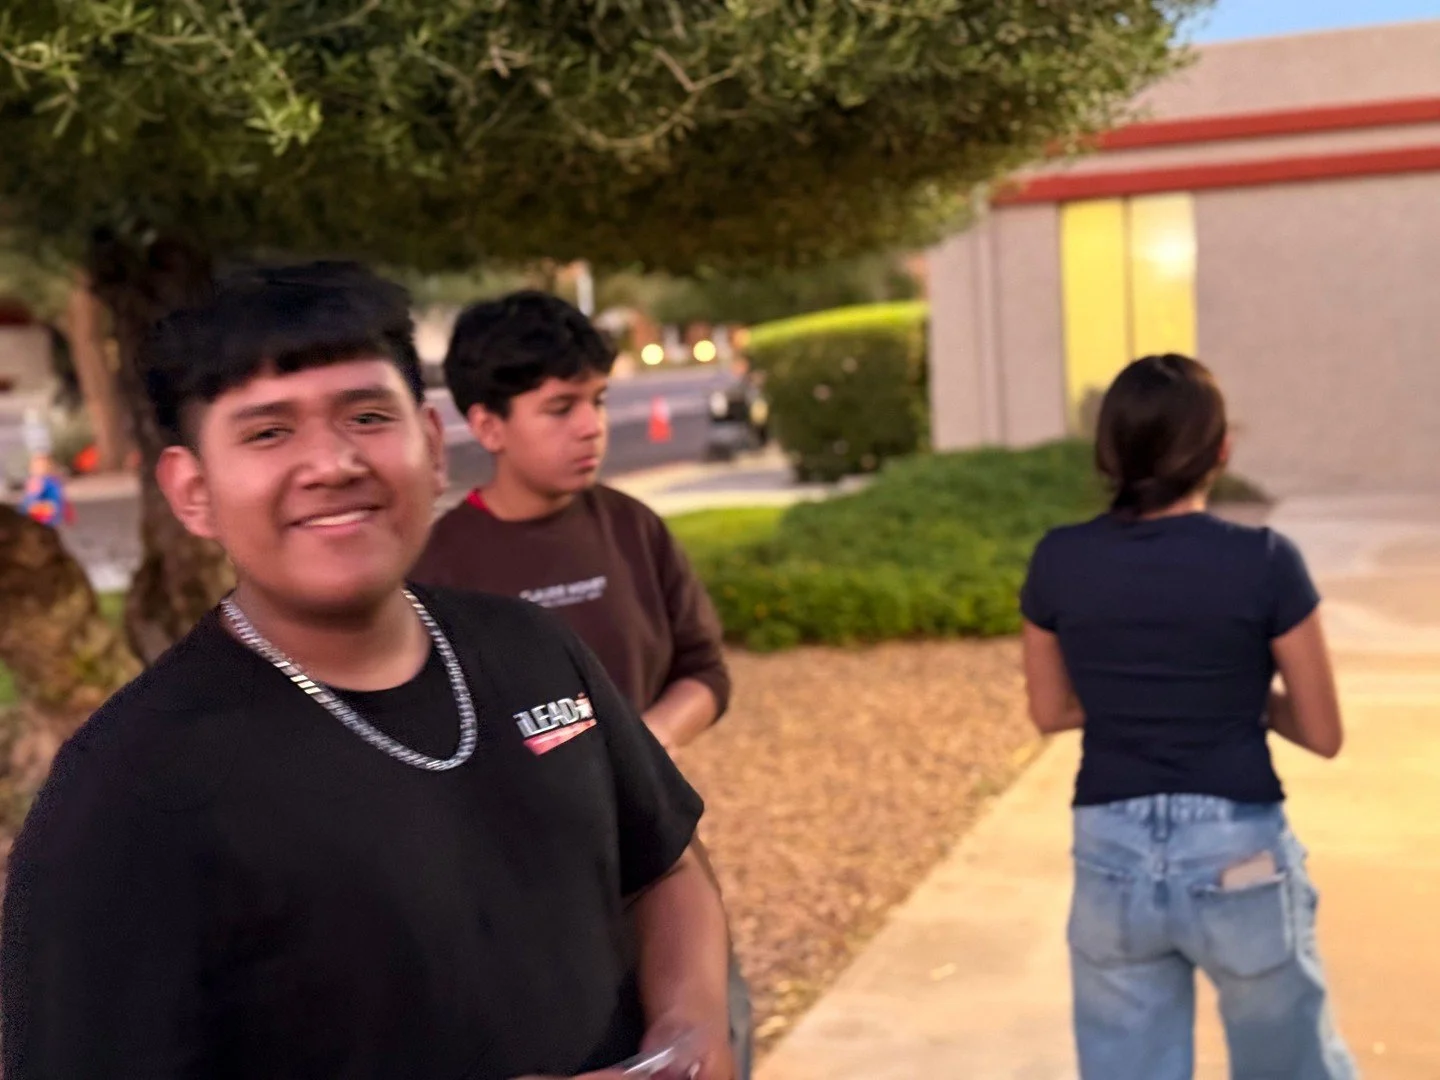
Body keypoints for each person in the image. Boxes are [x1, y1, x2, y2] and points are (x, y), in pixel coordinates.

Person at [1, 262, 734, 1080]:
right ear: (192, 490)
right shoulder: (123, 786)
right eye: (268, 432)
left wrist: (692, 1030)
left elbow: (664, 864)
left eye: (366, 415)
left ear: (428, 443)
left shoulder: (534, 650)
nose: (332, 462)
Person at [410, 290, 754, 1078]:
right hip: (513, 900)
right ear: (487, 424)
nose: (591, 425)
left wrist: (641, 745)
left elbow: (705, 670)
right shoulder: (436, 567)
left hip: (660, 866)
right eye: (560, 407)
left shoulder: (635, 528)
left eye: (596, 400)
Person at [1020, 353, 1356, 1080]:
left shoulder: (1058, 559)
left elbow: (1049, 711)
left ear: (1108, 453)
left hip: (1109, 849)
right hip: (1238, 850)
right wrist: (1238, 697)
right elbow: (1323, 733)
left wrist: (1133, 694)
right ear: (1221, 450)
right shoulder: (1266, 560)